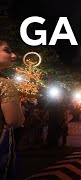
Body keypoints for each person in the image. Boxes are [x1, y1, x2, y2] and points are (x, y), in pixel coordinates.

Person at [0, 39, 25, 179]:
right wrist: (21, 112)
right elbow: (14, 120)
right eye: (6, 50)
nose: (14, 55)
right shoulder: (4, 83)